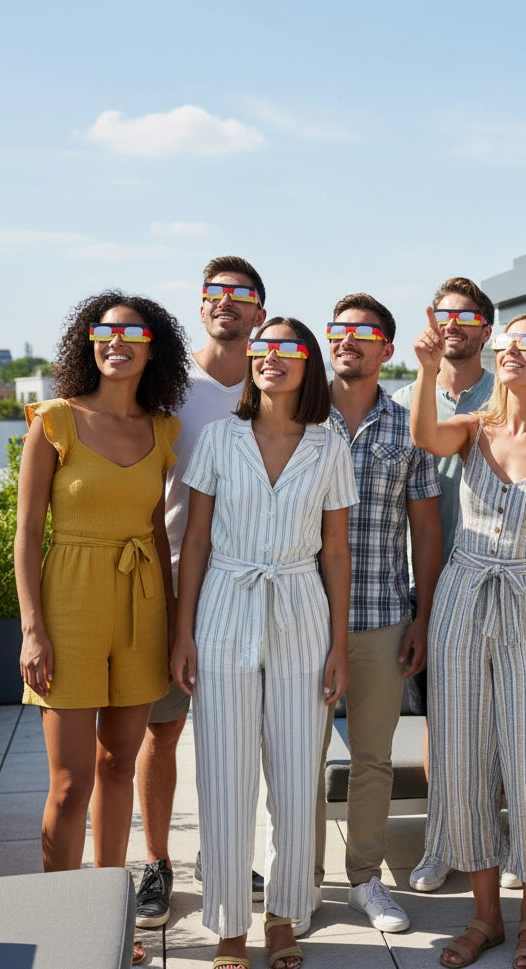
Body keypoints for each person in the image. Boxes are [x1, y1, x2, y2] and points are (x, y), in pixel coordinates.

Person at [411, 310, 526, 969]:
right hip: (461, 598)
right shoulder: (472, 430)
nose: (513, 351)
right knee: (461, 756)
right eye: (508, 342)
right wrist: (430, 368)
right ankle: (484, 915)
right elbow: (425, 434)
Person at [171, 316, 355, 969]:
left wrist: (339, 644)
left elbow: (336, 549)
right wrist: (183, 630)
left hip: (302, 609)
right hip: (224, 606)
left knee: (296, 775)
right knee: (223, 774)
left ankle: (284, 916)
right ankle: (227, 926)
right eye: (263, 347)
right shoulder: (219, 437)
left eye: (288, 348)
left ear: (309, 364)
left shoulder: (330, 444)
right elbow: (194, 539)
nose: (272, 357)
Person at [15, 295, 189, 889]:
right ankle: (61, 916)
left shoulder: (164, 428)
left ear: (152, 347)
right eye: (104, 331)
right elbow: (29, 532)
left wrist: (173, 630)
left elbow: (156, 535)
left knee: (119, 764)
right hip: (69, 600)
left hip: (140, 605)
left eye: (131, 333)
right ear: (88, 342)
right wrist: (32, 630)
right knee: (70, 781)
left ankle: (108, 914)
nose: (116, 342)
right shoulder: (55, 420)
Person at [134, 256, 267, 935]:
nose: (228, 303)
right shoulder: (167, 390)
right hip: (168, 581)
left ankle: (226, 855)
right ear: (202, 307)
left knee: (234, 734)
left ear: (260, 315)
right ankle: (155, 862)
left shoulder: (272, 387)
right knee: (163, 730)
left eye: (242, 296)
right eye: (217, 294)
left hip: (243, 589)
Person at [315, 293, 442, 934]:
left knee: (372, 758)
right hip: (303, 620)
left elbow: (426, 530)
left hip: (383, 615)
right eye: (338, 330)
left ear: (386, 350)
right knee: (297, 756)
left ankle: (365, 878)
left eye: (363, 333)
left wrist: (421, 617)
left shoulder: (407, 426)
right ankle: (301, 883)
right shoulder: (298, 420)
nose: (348, 340)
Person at [391, 276, 495, 893]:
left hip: (500, 583)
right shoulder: (406, 398)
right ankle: (442, 840)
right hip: (432, 585)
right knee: (444, 725)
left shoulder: (506, 393)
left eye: (464, 315)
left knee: (505, 727)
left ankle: (494, 837)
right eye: (441, 314)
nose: (451, 323)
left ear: (485, 325)